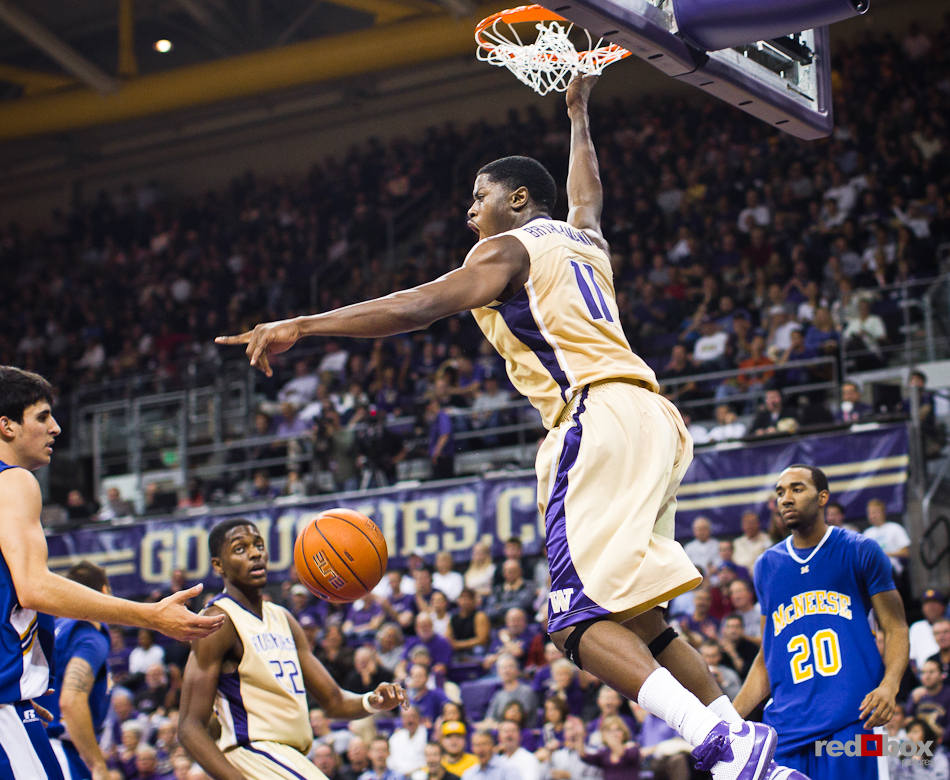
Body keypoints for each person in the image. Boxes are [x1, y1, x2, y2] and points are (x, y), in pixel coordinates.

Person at [217, 78, 791, 779]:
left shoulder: (508, 248)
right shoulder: (583, 239)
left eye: (478, 196)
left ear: (517, 200)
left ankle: (717, 741)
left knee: (573, 623)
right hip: (655, 417)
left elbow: (418, 307)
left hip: (594, 416)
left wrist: (303, 324)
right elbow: (588, 196)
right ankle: (745, 750)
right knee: (639, 619)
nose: (469, 211)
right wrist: (579, 116)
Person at [0, 366, 222, 780]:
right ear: (6, 426)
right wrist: (150, 615)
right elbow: (32, 586)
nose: (57, 428)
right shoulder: (13, 481)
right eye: (43, 416)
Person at [178, 519, 407, 779]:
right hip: (252, 753)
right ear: (218, 565)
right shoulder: (219, 620)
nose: (255, 553)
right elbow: (189, 726)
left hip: (289, 757)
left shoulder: (283, 618)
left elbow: (334, 702)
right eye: (240, 549)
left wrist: (372, 700)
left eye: (259, 545)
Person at [734, 465, 909, 779]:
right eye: (780, 492)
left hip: (850, 722)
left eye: (797, 489)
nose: (786, 499)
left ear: (823, 497)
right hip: (786, 730)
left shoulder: (860, 551)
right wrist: (729, 720)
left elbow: (895, 626)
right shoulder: (767, 566)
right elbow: (766, 658)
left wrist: (889, 686)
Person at [41, 562, 113, 780]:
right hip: (61, 749)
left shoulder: (56, 627)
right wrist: (97, 763)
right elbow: (71, 700)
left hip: (35, 742)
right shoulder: (90, 634)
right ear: (103, 591)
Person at [909, 589, 946, 673]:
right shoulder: (916, 627)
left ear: (942, 606)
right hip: (923, 676)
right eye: (927, 603)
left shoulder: (947, 625)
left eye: (934, 603)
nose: (931, 607)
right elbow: (911, 658)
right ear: (922, 608)